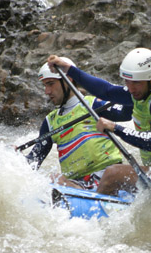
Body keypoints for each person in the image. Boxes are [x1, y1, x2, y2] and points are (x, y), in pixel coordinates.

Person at [47, 48, 151, 196]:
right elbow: (106, 91)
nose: (130, 88)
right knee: (57, 178)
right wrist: (69, 69)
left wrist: (116, 128)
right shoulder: (142, 89)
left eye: (135, 83)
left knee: (113, 173)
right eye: (127, 81)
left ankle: (95, 211)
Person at [25, 59, 131, 190]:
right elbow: (34, 160)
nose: (47, 91)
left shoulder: (94, 105)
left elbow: (126, 114)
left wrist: (129, 89)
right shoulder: (50, 122)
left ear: (68, 80)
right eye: (45, 86)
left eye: (50, 84)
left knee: (113, 173)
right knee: (55, 179)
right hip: (77, 186)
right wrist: (13, 160)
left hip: (108, 177)